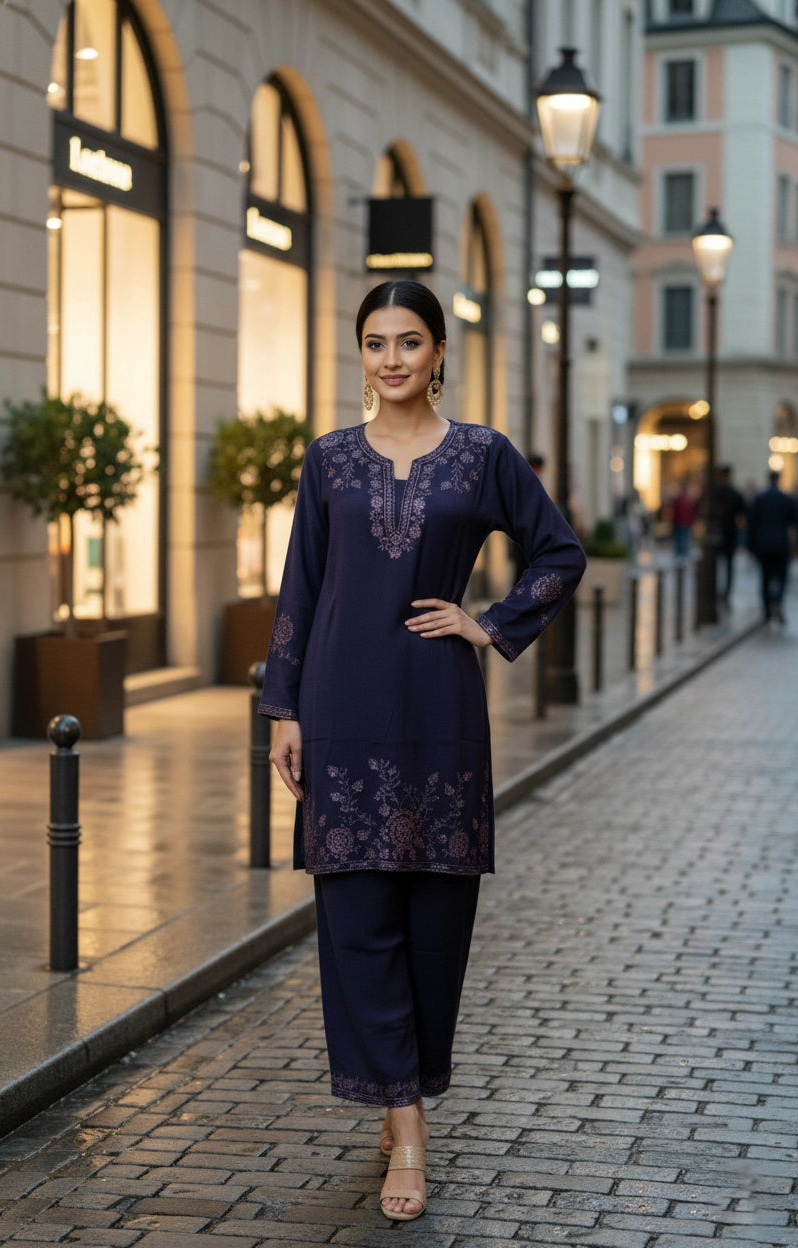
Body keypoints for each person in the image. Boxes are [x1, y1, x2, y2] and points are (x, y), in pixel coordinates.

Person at [259, 280, 585, 1222]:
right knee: (356, 918)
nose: (391, 358)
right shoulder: (327, 463)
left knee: (436, 928)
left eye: (409, 341)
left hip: (439, 709)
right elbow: (300, 590)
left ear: (440, 351)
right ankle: (406, 1126)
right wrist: (286, 711)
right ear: (359, 353)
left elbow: (558, 553)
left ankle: (403, 1078)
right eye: (374, 342)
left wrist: (489, 625)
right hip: (342, 702)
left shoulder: (483, 456)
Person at [746, 469, 798, 624]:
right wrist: (795, 547)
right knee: (781, 576)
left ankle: (767, 609)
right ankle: (777, 601)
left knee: (765, 577)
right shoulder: (786, 499)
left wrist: (750, 546)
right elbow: (793, 525)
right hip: (781, 544)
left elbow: (752, 524)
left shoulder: (759, 499)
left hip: (763, 544)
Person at [712, 464, 746, 608]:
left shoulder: (715, 492)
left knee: (718, 566)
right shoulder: (734, 492)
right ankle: (725, 594)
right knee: (727, 567)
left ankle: (720, 593)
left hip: (718, 534)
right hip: (729, 534)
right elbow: (742, 517)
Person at [670, 478, 697, 558]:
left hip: (682, 523)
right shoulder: (687, 499)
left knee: (682, 541)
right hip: (682, 523)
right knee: (683, 541)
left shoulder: (683, 499)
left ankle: (681, 558)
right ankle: (682, 558)